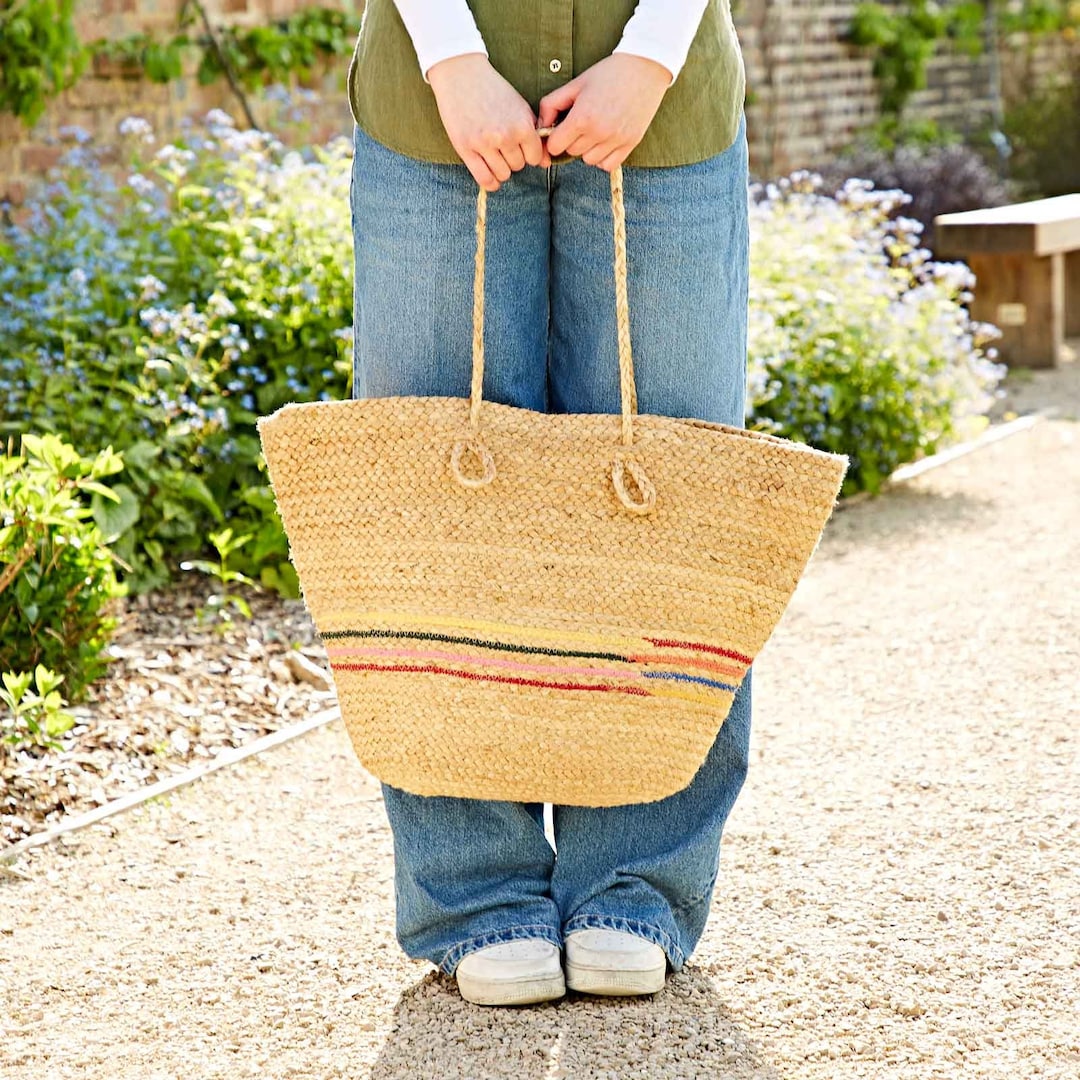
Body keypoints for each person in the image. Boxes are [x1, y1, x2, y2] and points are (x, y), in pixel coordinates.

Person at [346, 0, 751, 1007]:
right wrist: (450, 59)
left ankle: (638, 886)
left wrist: (652, 57)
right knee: (435, 504)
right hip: (432, 115)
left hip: (666, 116)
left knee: (674, 505)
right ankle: (477, 892)